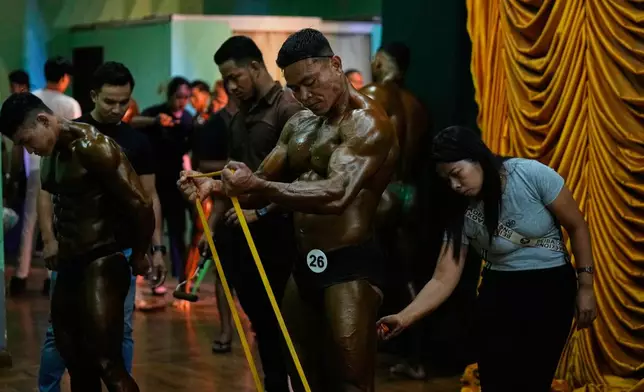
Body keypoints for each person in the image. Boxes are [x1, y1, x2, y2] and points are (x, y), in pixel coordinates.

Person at [179, 28, 398, 391]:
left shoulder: (368, 123)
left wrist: (258, 187)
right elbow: (258, 182)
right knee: (300, 371)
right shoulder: (300, 124)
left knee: (351, 380)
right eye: (295, 88)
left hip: (348, 265)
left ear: (336, 65)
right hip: (304, 265)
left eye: (310, 83)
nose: (304, 96)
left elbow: (337, 195)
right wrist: (214, 186)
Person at [377, 126, 598, 392]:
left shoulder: (529, 174)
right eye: (447, 180)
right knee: (496, 381)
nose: (455, 185)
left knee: (533, 381)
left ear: (477, 157)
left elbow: (577, 226)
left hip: (550, 289)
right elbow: (442, 278)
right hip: (499, 293)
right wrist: (404, 317)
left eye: (457, 174)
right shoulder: (459, 210)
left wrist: (586, 286)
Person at [0, 92, 154, 391]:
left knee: (107, 361)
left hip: (102, 261)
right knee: (74, 358)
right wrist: (51, 241)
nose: (28, 150)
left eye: (26, 140)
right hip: (70, 263)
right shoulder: (50, 153)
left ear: (44, 120)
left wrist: (140, 253)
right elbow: (53, 203)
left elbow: (140, 204)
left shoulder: (95, 146)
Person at [37, 61, 166, 392]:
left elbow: (148, 198)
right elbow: (47, 192)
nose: (117, 109)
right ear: (94, 95)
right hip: (72, 249)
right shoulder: (70, 133)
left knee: (117, 332)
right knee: (60, 334)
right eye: (110, 101)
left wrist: (155, 248)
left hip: (117, 250)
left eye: (124, 101)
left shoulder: (136, 142)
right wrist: (49, 238)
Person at [194, 35, 304, 387]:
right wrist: (210, 229)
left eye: (234, 77)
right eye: (224, 80)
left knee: (284, 322)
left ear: (255, 67)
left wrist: (266, 211)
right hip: (241, 232)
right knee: (261, 321)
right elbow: (231, 179)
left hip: (282, 233)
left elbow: (304, 180)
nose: (229, 86)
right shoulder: (239, 117)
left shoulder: (289, 109)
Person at [361, 41, 429, 379]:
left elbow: (364, 143)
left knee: (365, 270)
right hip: (409, 193)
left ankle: (359, 354)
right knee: (408, 275)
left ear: (383, 61)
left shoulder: (373, 92)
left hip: (382, 192)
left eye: (376, 58)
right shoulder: (416, 104)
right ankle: (416, 357)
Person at [10, 57, 82, 296]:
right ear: (63, 78)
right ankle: (52, 277)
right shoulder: (70, 104)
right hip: (61, 167)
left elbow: (18, 142)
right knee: (56, 219)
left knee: (29, 222)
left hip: (34, 168)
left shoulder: (32, 99)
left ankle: (20, 275)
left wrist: (15, 170)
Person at [132, 77, 193, 287]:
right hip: (155, 182)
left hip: (176, 184)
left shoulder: (187, 120)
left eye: (186, 97)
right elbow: (133, 121)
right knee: (152, 230)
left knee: (178, 233)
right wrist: (155, 121)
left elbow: (190, 151)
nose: (182, 101)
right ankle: (153, 277)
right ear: (170, 95)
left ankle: (181, 280)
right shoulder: (156, 112)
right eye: (179, 97)